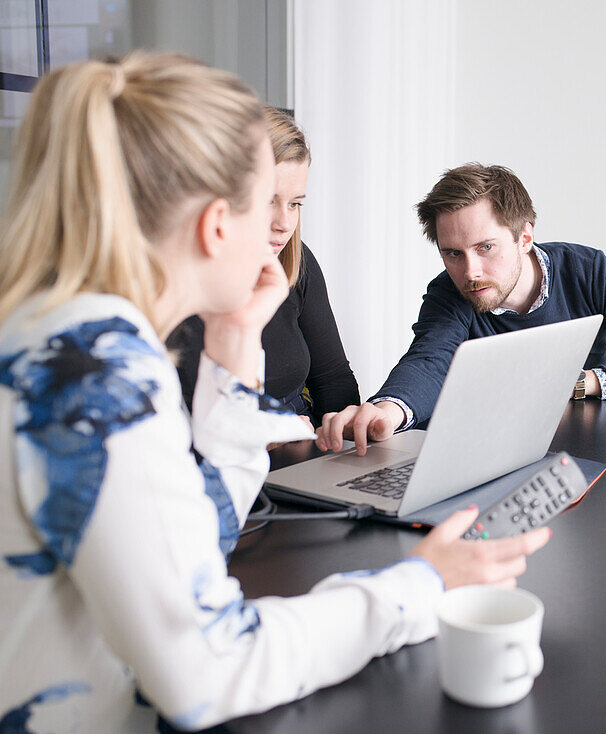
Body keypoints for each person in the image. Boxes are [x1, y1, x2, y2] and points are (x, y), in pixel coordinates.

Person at [0, 54, 549, 733]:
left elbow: (191, 539)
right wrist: (423, 584)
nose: (282, 230)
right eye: (266, 206)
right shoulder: (95, 382)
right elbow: (207, 668)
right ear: (216, 226)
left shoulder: (63, 334)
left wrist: (234, 345)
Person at [316, 163, 606, 454]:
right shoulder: (448, 295)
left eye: (486, 248)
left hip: (577, 453)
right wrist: (388, 411)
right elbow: (428, 362)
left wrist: (579, 383)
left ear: (524, 237)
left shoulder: (589, 272)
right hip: (482, 457)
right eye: (453, 253)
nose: (470, 272)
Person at [168, 106, 360, 424]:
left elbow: (334, 380)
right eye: (269, 200)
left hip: (300, 441)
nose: (285, 223)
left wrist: (343, 434)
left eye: (295, 204)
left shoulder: (296, 261)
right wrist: (267, 432)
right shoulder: (179, 286)